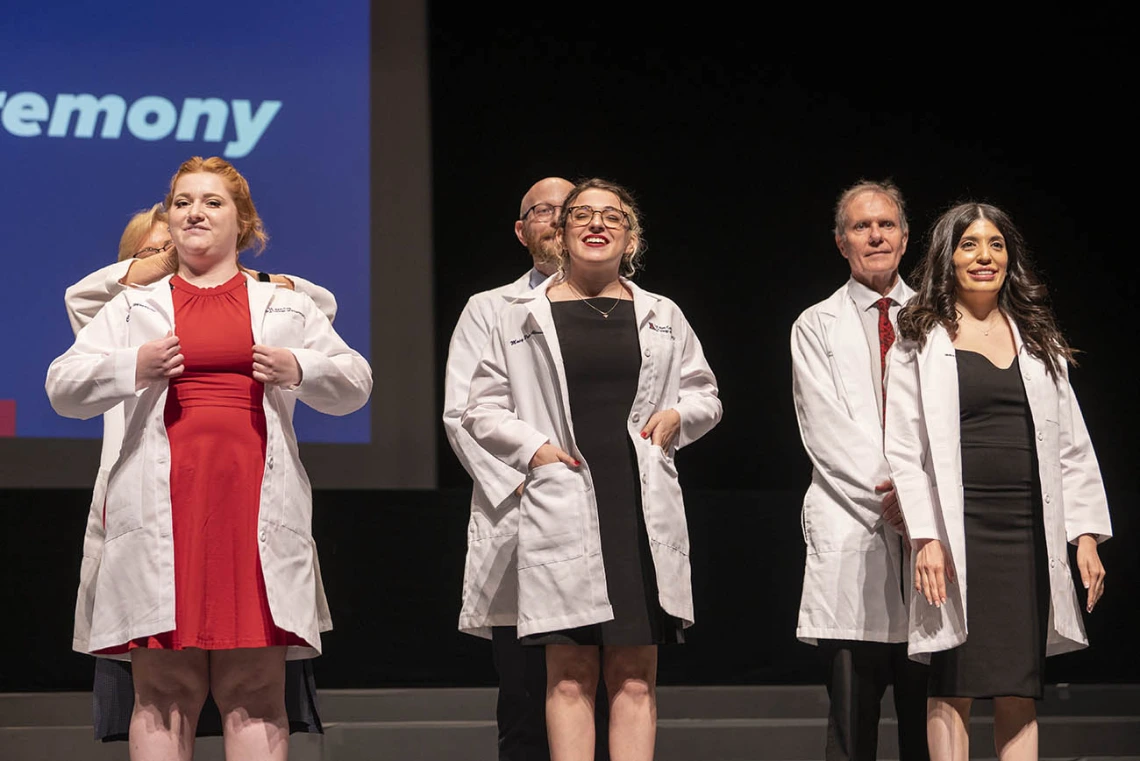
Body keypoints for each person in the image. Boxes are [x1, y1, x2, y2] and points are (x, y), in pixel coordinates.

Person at [46, 156, 372, 761]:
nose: (195, 211)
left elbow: (355, 384)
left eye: (213, 201)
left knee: (254, 690)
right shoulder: (130, 308)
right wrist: (130, 367)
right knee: (165, 692)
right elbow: (62, 388)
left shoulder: (286, 306)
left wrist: (299, 367)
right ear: (168, 219)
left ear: (243, 221)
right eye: (183, 201)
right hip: (164, 515)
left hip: (251, 516)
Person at [462, 178, 722, 761]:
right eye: (582, 214)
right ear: (563, 230)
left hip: (633, 505)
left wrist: (680, 414)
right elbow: (479, 407)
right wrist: (534, 449)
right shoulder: (521, 314)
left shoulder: (662, 313)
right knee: (570, 673)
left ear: (630, 237)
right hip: (563, 498)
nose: (596, 224)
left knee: (633, 675)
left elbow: (706, 393)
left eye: (612, 216)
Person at [885, 202, 1111, 760]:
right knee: (953, 683)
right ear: (947, 257)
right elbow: (904, 448)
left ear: (1010, 257)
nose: (984, 257)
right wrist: (926, 537)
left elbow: (1071, 445)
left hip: (1027, 531)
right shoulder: (920, 335)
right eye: (969, 245)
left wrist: (1083, 534)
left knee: (1019, 684)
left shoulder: (1036, 339)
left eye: (995, 245)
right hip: (959, 529)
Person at [446, 176, 610, 761]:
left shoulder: (628, 306)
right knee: (524, 701)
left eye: (570, 209)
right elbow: (464, 413)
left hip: (605, 520)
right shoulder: (490, 308)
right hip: (521, 518)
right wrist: (537, 479)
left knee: (611, 693)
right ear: (523, 230)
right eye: (544, 210)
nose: (558, 219)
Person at [790, 180, 929, 760]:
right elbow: (825, 431)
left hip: (930, 542)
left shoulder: (936, 318)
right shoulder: (814, 325)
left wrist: (922, 506)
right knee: (853, 722)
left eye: (887, 224)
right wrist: (898, 498)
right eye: (861, 226)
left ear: (904, 237)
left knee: (933, 722)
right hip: (856, 526)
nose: (875, 235)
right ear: (841, 243)